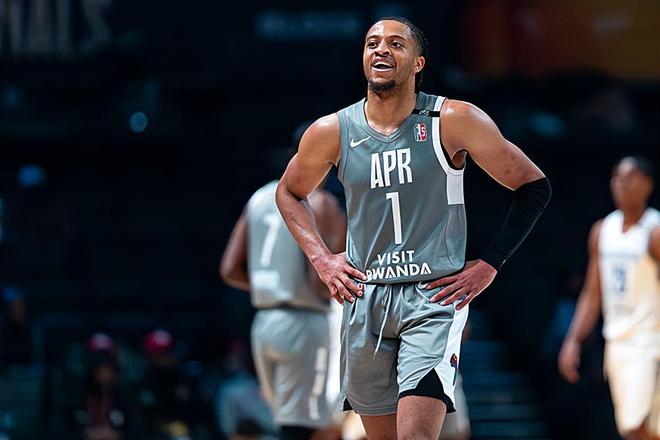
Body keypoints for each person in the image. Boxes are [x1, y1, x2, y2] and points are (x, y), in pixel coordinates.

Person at [275, 17, 551, 439]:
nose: (381, 49)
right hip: (366, 296)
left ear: (418, 62)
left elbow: (533, 186)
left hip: (431, 297)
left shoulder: (453, 118)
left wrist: (491, 263)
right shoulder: (332, 130)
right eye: (372, 43)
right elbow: (289, 192)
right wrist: (322, 260)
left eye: (395, 43)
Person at [220, 154, 347, 439]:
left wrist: (273, 287)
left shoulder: (258, 198)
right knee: (306, 425)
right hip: (304, 323)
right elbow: (319, 281)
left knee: (285, 420)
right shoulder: (321, 201)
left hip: (264, 322)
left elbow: (229, 270)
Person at [558, 156, 660, 440]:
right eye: (616, 176)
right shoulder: (602, 230)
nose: (620, 183)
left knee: (636, 424)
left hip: (649, 342)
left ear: (647, 184)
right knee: (638, 428)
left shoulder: (654, 231)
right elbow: (593, 292)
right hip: (616, 341)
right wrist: (573, 339)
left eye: (629, 177)